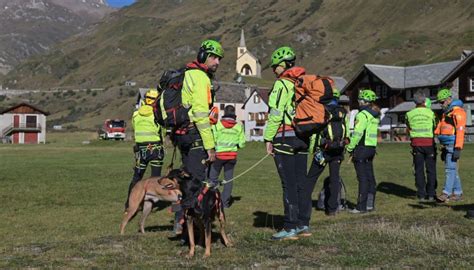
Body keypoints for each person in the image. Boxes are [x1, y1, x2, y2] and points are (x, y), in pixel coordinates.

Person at [172, 39, 223, 234]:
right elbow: (201, 114)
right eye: (213, 57)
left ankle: (183, 226)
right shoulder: (201, 78)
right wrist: (210, 147)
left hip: (183, 136)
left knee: (185, 185)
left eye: (219, 58)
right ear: (203, 56)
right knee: (196, 186)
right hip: (195, 137)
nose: (217, 62)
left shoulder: (186, 74)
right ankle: (191, 230)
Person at [264, 46, 311, 240]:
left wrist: (268, 138)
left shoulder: (281, 84)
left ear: (282, 65)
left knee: (288, 184)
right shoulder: (302, 84)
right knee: (301, 183)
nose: (274, 70)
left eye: (275, 66)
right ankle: (303, 224)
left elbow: (275, 114)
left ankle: (290, 227)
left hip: (285, 137)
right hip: (303, 138)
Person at [308, 88, 349, 216]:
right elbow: (347, 131)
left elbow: (315, 133)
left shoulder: (322, 111)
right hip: (338, 150)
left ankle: (303, 204)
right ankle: (332, 209)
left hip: (323, 150)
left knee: (311, 178)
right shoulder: (343, 112)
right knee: (334, 179)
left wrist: (313, 150)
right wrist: (344, 148)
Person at [125, 89, 164, 209]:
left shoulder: (136, 114)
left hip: (141, 150)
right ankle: (151, 204)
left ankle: (129, 204)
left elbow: (134, 127)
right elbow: (161, 130)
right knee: (155, 178)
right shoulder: (157, 114)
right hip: (155, 148)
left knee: (137, 177)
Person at [346, 89, 380, 214]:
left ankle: (361, 206)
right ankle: (370, 204)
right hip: (371, 148)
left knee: (362, 178)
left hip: (361, 148)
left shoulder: (362, 115)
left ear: (364, 101)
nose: (358, 101)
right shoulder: (374, 114)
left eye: (360, 99)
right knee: (370, 176)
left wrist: (350, 147)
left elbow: (358, 133)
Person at [208, 105, 245, 208]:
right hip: (232, 157)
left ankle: (211, 201)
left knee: (212, 179)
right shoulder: (239, 127)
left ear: (224, 113)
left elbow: (213, 140)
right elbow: (242, 144)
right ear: (234, 114)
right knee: (228, 180)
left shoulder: (217, 125)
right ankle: (224, 204)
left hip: (218, 157)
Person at [434, 88, 466, 202]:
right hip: (446, 145)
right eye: (439, 102)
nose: (440, 104)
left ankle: (445, 193)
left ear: (448, 99)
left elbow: (460, 130)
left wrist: (458, 148)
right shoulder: (447, 112)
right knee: (453, 169)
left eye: (442, 102)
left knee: (449, 169)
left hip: (453, 144)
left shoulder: (457, 112)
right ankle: (458, 193)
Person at [405, 91, 437, 201]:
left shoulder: (409, 114)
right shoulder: (431, 113)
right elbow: (435, 126)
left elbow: (408, 128)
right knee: (431, 170)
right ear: (424, 101)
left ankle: (421, 194)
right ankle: (431, 194)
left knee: (419, 170)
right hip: (429, 143)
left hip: (416, 144)